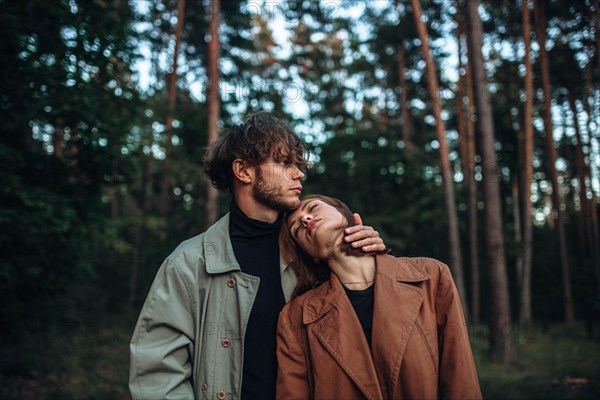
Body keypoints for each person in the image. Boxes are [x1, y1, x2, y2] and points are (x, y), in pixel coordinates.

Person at [128, 114, 386, 400]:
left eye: (298, 165)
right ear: (244, 171)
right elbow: (158, 377)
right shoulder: (189, 264)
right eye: (285, 163)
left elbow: (369, 332)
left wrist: (367, 257)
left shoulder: (312, 248)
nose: (299, 173)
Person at [276, 195, 483, 400]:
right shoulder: (294, 317)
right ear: (309, 253)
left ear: (351, 217)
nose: (305, 220)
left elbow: (460, 378)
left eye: (313, 208)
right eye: (297, 230)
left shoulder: (432, 276)